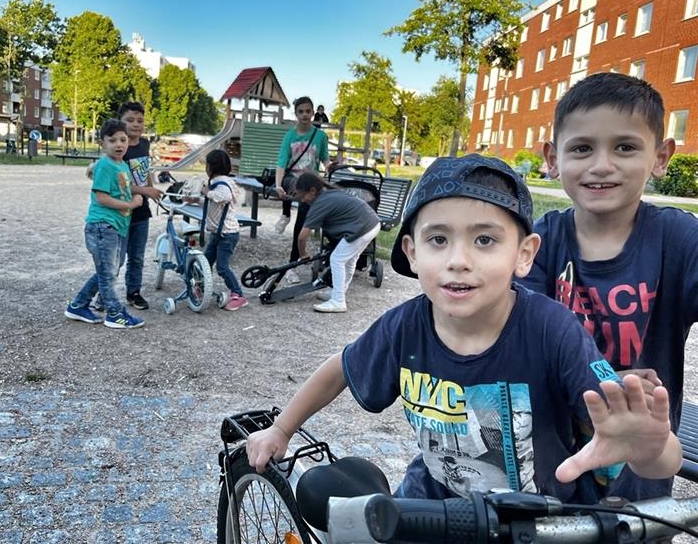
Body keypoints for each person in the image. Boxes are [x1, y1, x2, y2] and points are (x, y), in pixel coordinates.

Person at [247, 154, 682, 504]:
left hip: (541, 518)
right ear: (412, 253)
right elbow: (340, 367)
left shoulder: (553, 331)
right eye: (439, 240)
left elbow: (652, 454)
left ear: (524, 255)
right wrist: (282, 429)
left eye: (485, 240)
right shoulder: (405, 327)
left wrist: (649, 450)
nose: (459, 260)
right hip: (435, 505)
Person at [521, 72, 698, 500]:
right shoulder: (538, 244)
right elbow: (519, 349)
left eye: (625, 147)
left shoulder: (678, 240)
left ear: (660, 157)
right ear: (552, 157)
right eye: (582, 148)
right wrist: (602, 379)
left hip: (641, 468)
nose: (602, 165)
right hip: (553, 471)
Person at [65, 119, 145, 329]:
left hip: (117, 226)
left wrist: (140, 197)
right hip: (103, 226)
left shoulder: (122, 164)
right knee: (108, 273)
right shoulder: (105, 165)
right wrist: (130, 204)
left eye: (123, 140)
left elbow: (126, 189)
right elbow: (102, 197)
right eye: (112, 140)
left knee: (109, 270)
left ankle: (78, 305)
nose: (119, 144)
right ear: (103, 143)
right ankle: (114, 313)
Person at [293, 173, 380, 313]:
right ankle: (338, 293)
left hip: (363, 227)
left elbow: (302, 237)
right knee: (350, 261)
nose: (302, 200)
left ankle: (338, 301)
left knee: (337, 259)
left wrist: (303, 255)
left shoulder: (320, 203)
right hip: (373, 224)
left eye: (302, 195)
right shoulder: (329, 194)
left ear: (313, 191)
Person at [273, 97, 330, 284]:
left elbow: (324, 159)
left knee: (303, 222)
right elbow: (282, 162)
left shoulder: (320, 136)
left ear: (313, 113)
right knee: (296, 185)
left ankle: (293, 264)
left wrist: (332, 168)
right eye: (301, 111)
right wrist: (278, 184)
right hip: (293, 178)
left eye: (308, 111)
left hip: (311, 181)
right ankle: (285, 213)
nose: (305, 114)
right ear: (296, 114)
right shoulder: (289, 136)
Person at [117, 101, 162, 310]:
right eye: (130, 120)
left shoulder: (144, 144)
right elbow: (120, 185)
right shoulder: (119, 148)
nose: (136, 124)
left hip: (142, 212)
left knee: (137, 257)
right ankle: (102, 294)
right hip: (122, 211)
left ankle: (133, 292)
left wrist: (153, 191)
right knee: (115, 259)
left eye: (140, 121)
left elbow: (145, 171)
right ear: (120, 122)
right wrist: (146, 191)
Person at [199, 149, 249, 311]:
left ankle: (238, 294)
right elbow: (213, 202)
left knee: (222, 266)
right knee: (205, 263)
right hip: (218, 232)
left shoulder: (221, 182)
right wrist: (196, 198)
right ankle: (200, 288)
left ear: (210, 167)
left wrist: (208, 192)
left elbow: (224, 197)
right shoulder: (219, 182)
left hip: (227, 234)